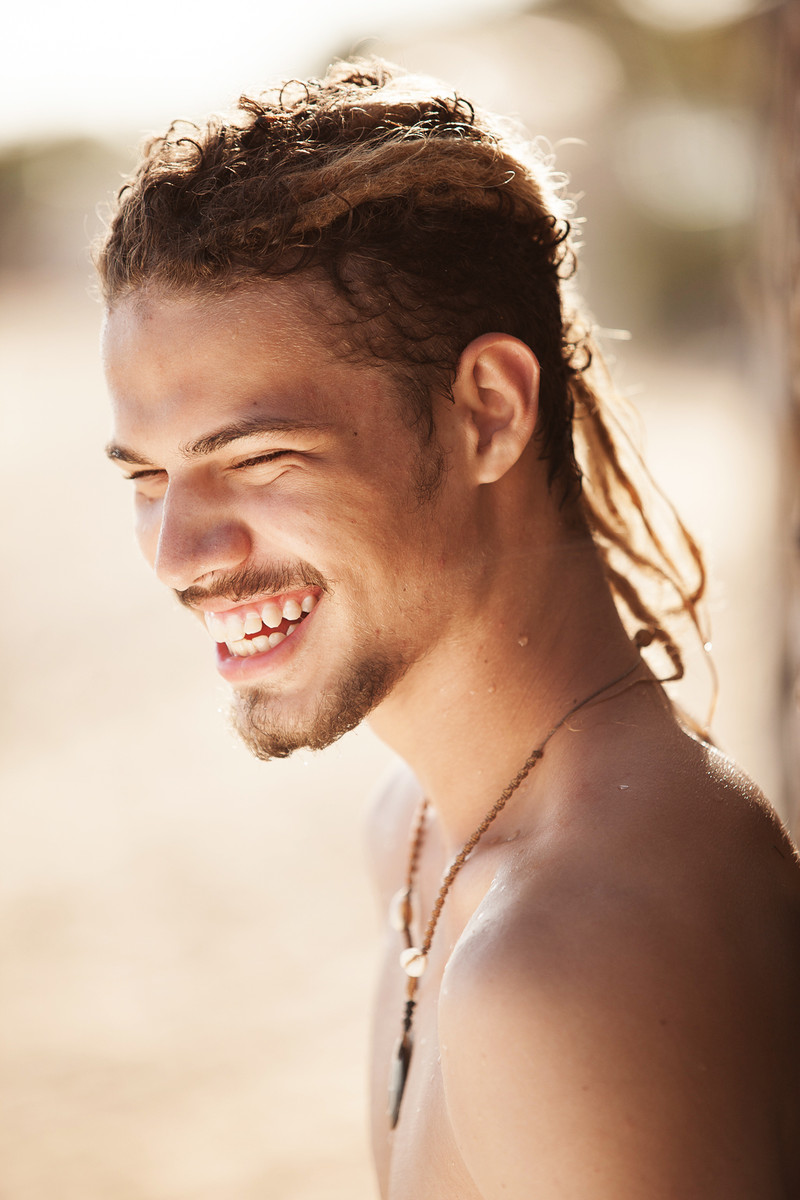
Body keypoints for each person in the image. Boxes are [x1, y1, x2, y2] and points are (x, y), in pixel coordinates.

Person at [97, 58, 800, 1199]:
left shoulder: (577, 959)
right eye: (148, 477)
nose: (180, 554)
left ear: (487, 414)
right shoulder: (420, 830)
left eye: (258, 458)